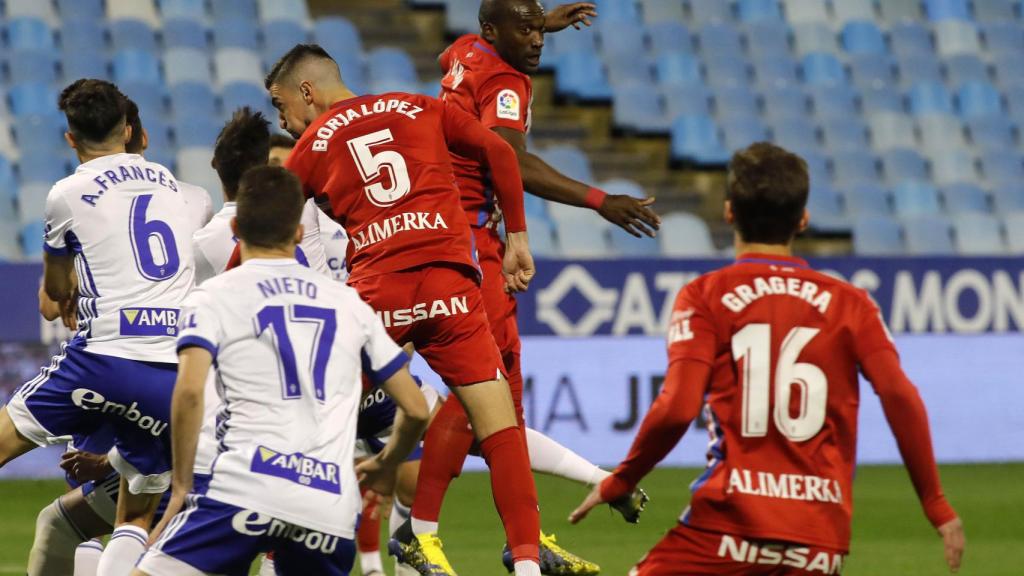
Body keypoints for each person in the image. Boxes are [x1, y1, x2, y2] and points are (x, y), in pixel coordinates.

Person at [568, 142, 966, 575]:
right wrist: (935, 502)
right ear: (803, 219)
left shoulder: (706, 295)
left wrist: (623, 478)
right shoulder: (852, 304)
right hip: (818, 541)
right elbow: (900, 396)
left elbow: (678, 407)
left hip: (727, 528)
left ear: (729, 213)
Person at [266, 43, 543, 576]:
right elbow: (502, 153)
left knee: (310, 423)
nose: (283, 120)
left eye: (282, 106)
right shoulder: (421, 106)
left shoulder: (314, 144)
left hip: (377, 299)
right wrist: (517, 239)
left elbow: (265, 229)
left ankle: (283, 556)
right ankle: (528, 566)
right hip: (450, 288)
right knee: (502, 431)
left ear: (306, 91)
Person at [399, 2, 654, 572]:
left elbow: (455, 57)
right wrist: (600, 201)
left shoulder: (465, 51)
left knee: (503, 400)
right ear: (493, 31)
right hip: (468, 238)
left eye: (540, 28)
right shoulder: (504, 80)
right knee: (481, 387)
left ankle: (525, 538)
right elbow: (511, 162)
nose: (537, 40)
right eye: (526, 29)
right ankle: (420, 531)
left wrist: (536, 25)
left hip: (461, 228)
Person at [132, 165, 430, 575]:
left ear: (236, 228)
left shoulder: (213, 296)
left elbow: (188, 392)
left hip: (243, 488)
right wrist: (386, 462)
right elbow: (416, 409)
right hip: (327, 505)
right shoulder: (348, 303)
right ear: (299, 233)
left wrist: (182, 484)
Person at [0, 79, 197, 576]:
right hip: (173, 372)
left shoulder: (65, 194)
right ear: (129, 129)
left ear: (70, 138)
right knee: (134, 517)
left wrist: (67, 287)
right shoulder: (172, 185)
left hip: (104, 359)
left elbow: (53, 295)